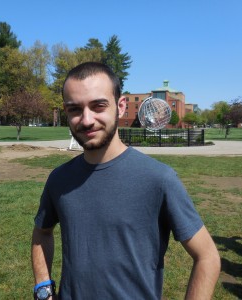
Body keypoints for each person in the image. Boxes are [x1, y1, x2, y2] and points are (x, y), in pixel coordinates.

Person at [31, 62, 220, 300]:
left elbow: (207, 257)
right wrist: (43, 289)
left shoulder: (158, 179)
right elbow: (42, 233)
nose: (87, 120)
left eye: (98, 106)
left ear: (120, 106)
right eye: (75, 109)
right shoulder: (59, 179)